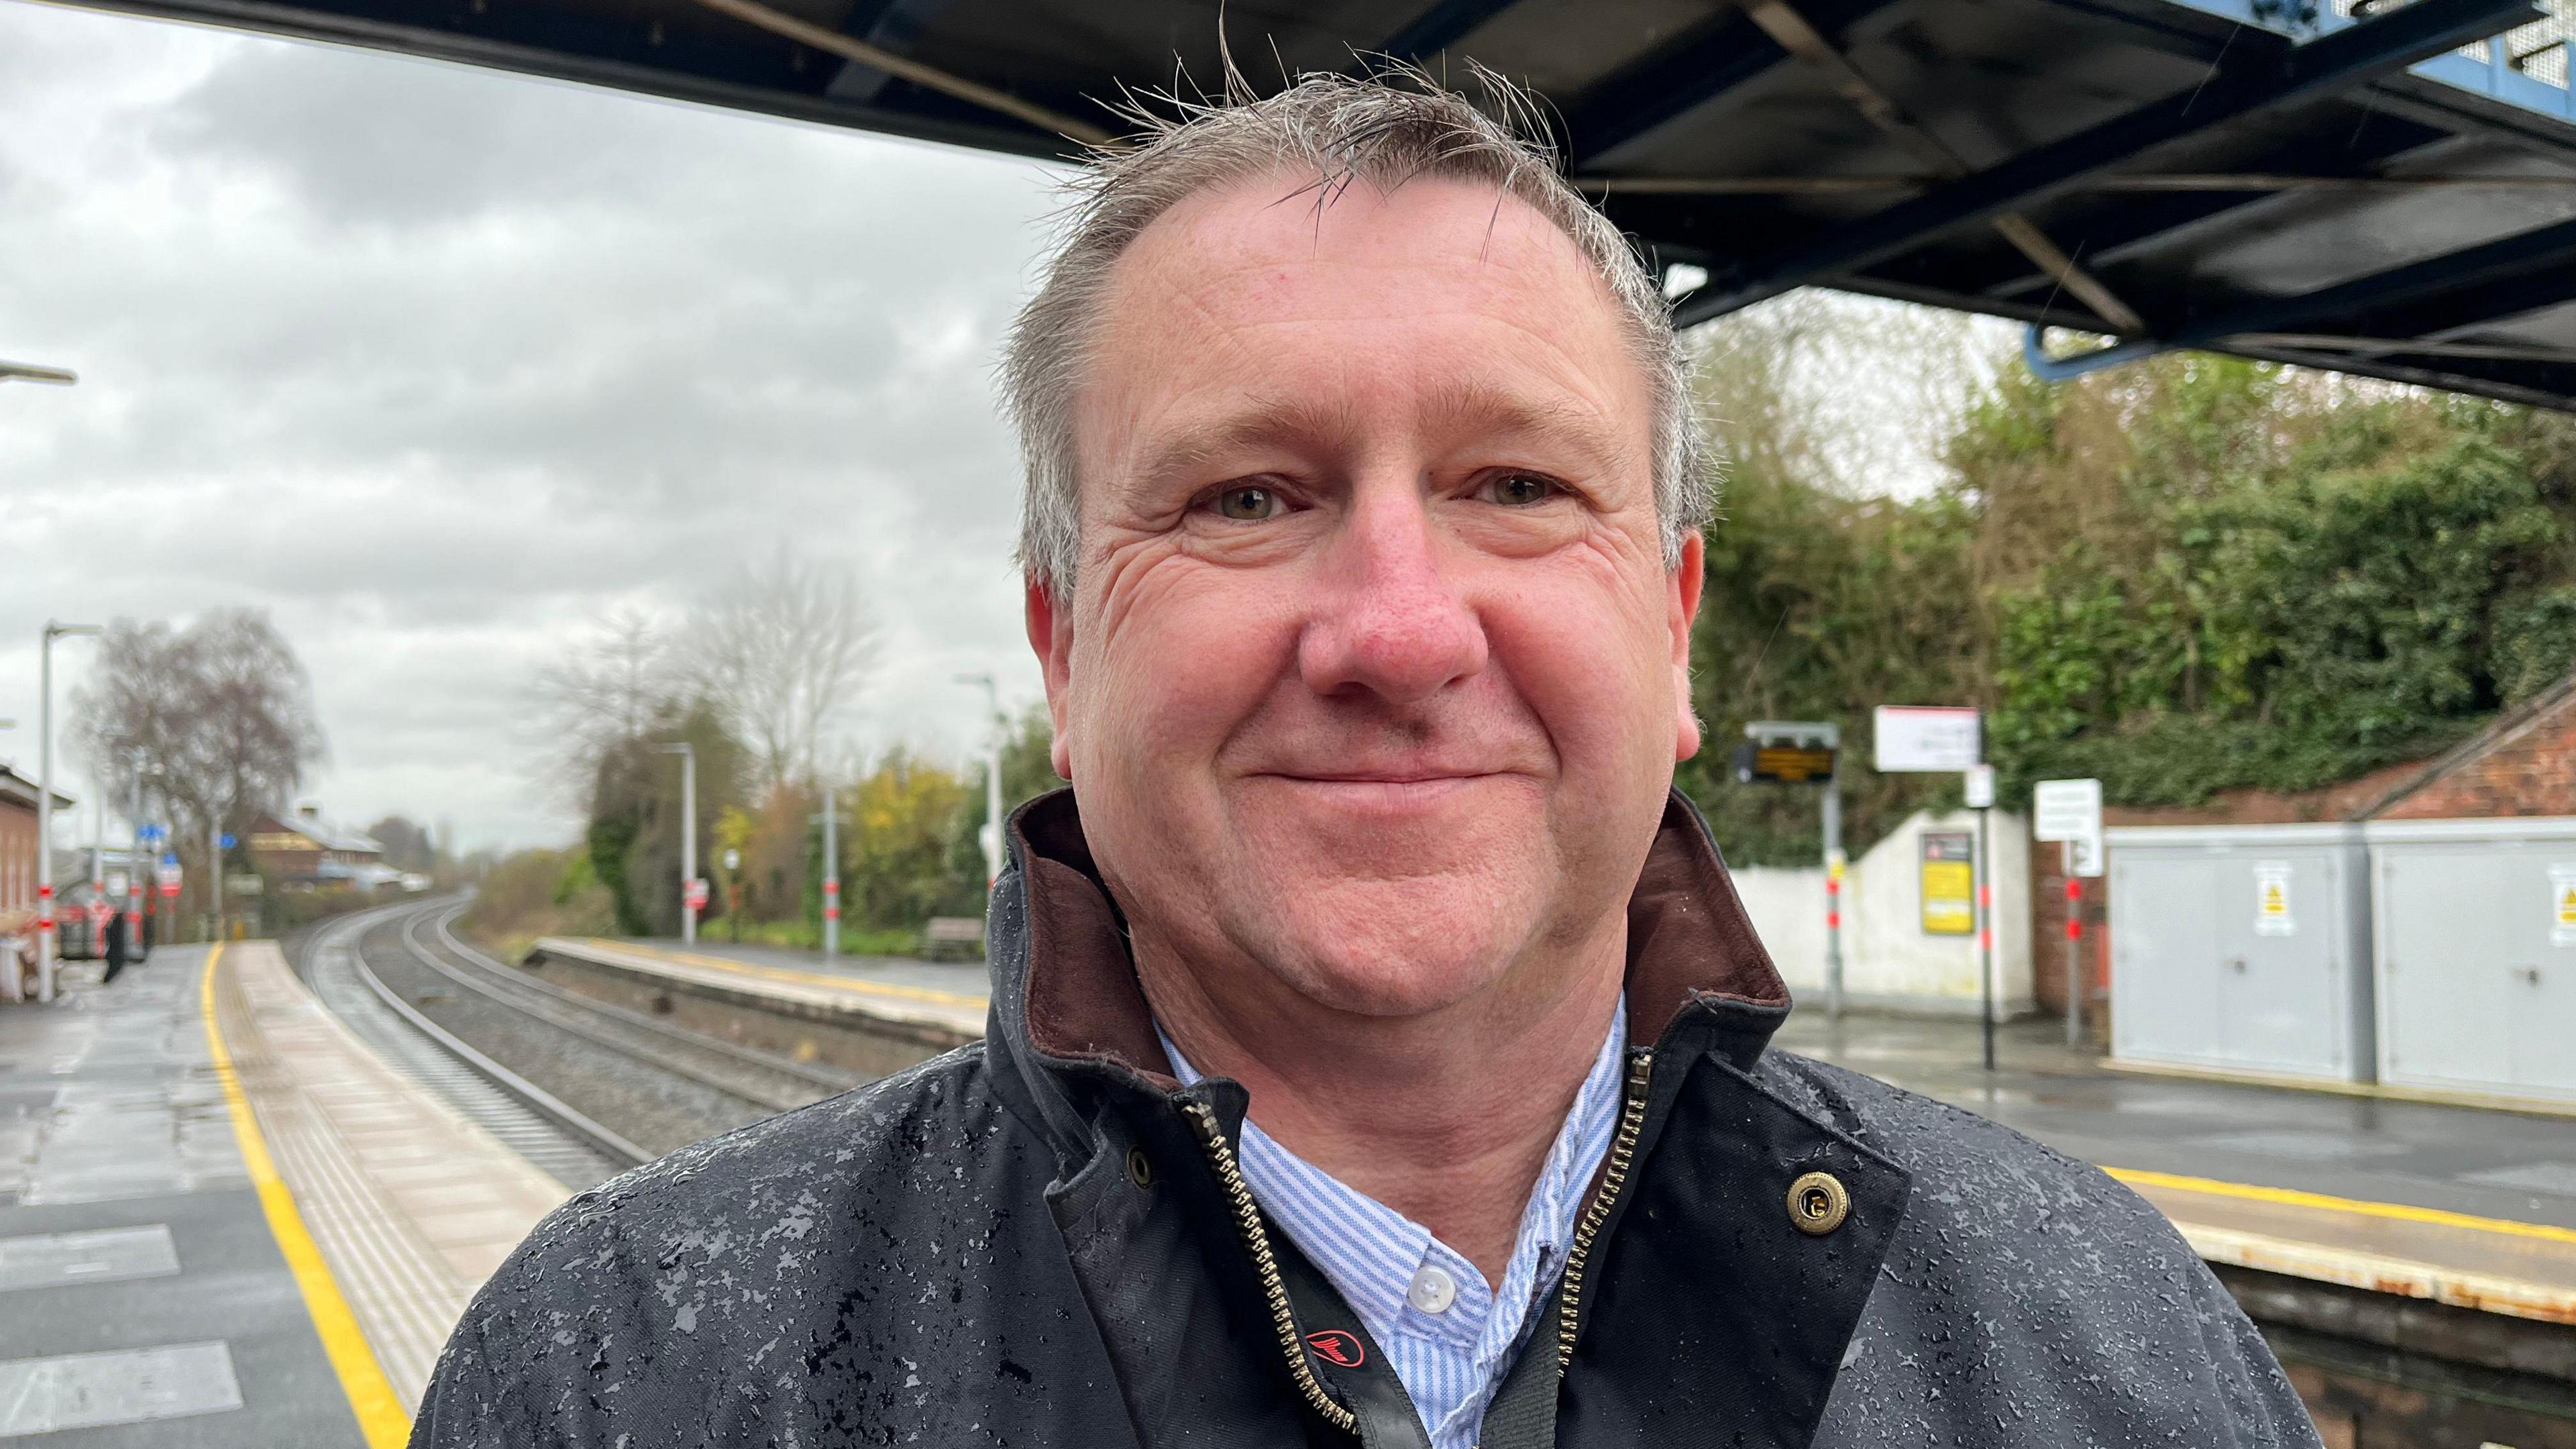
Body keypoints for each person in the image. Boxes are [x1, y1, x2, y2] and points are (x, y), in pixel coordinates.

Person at [413, 71, 2320, 1449]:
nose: (1401, 631)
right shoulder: (619, 1373)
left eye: (1516, 486)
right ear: (1065, 649)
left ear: (1676, 628)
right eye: (1248, 496)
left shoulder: (2109, 1337)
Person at [101, 906, 127, 985]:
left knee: (113, 969)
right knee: (114, 969)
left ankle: (106, 981)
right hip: (116, 954)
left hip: (114, 953)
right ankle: (106, 981)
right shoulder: (118, 926)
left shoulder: (114, 926)